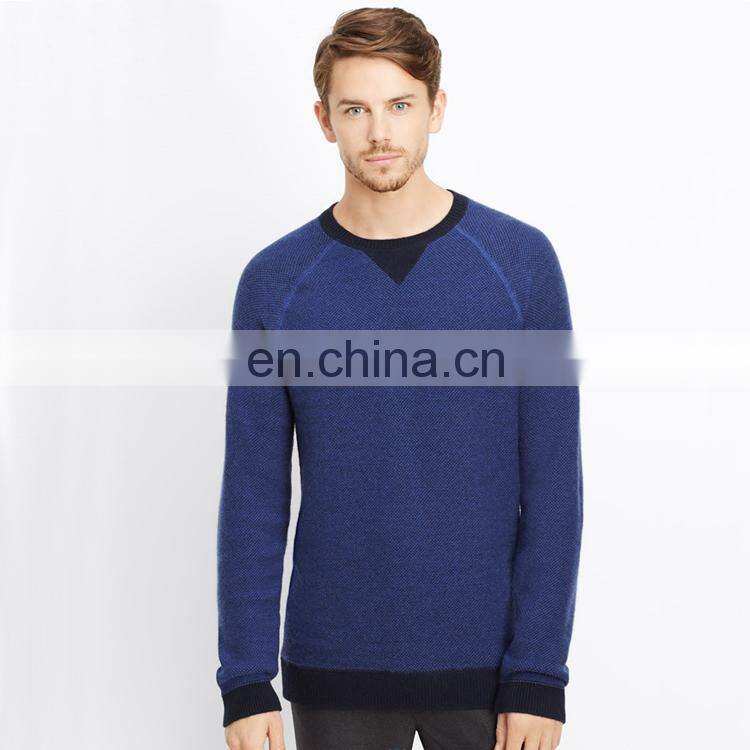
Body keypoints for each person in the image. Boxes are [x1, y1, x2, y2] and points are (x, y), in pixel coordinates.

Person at [216, 7, 584, 750]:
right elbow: (253, 495)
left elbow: (553, 486)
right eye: (355, 109)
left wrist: (539, 674)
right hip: (333, 668)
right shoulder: (276, 283)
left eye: (400, 105)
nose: (379, 132)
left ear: (436, 110)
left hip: (491, 676)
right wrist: (246, 679)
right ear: (324, 120)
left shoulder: (520, 267)